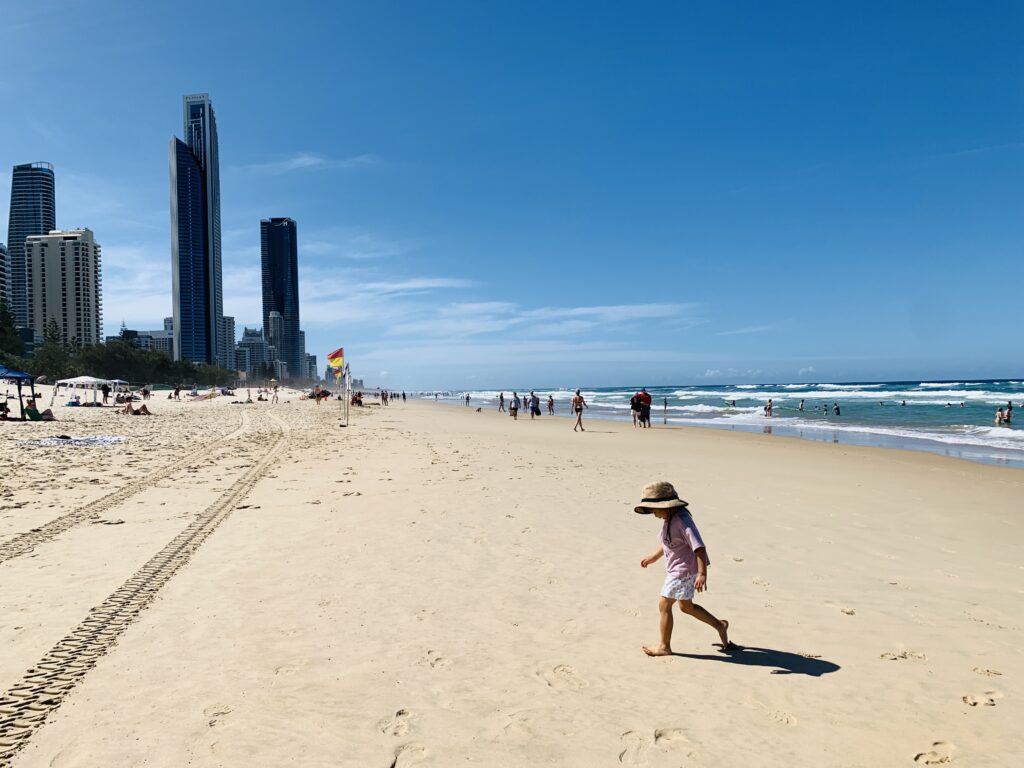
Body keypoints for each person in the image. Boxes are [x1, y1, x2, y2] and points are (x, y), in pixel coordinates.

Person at [635, 480, 731, 657]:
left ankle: (664, 646)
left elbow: (699, 547)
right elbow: (668, 543)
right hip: (678, 570)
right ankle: (720, 625)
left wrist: (702, 574)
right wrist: (653, 558)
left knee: (664, 604)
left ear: (668, 506)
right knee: (686, 607)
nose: (654, 514)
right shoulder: (669, 518)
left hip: (683, 571)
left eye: (655, 510)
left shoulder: (682, 521)